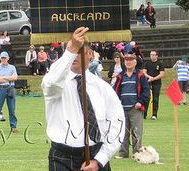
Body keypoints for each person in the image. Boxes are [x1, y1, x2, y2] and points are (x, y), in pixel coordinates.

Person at [42, 27, 125, 170]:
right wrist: (71, 49)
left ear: (90, 54)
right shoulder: (55, 83)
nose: (74, 56)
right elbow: (51, 84)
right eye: (71, 52)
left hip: (96, 154)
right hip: (62, 156)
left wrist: (100, 160)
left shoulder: (102, 87)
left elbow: (117, 123)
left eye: (79, 51)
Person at [113, 53, 150, 158]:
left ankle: (137, 153)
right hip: (122, 109)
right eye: (126, 60)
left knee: (136, 132)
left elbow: (146, 91)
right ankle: (123, 153)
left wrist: (141, 102)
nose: (128, 62)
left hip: (135, 109)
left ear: (135, 62)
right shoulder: (120, 76)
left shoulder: (140, 75)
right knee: (123, 133)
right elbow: (115, 91)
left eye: (130, 60)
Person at [0, 51, 18, 133]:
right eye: (2, 57)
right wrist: (9, 78)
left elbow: (15, 78)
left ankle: (13, 126)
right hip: (0, 89)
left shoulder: (12, 67)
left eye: (5, 57)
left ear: (8, 58)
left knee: (12, 108)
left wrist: (3, 78)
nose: (3, 59)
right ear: (0, 58)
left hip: (10, 88)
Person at [143, 50, 165, 119]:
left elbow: (162, 74)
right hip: (148, 83)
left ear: (156, 56)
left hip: (157, 84)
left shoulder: (160, 64)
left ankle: (154, 114)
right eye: (151, 54)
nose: (151, 56)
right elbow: (144, 72)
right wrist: (149, 77)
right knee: (147, 98)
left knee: (155, 99)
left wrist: (154, 78)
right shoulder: (147, 63)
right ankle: (144, 113)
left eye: (153, 54)